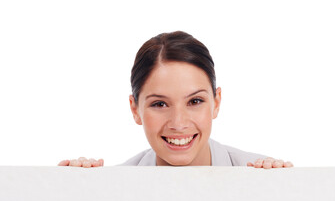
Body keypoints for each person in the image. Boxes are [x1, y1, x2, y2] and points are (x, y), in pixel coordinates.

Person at [58, 31, 293, 169]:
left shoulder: (257, 175)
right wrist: (76, 192)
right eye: (159, 104)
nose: (178, 123)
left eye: (194, 102)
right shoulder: (115, 183)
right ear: (135, 109)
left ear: (216, 102)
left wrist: (287, 192)